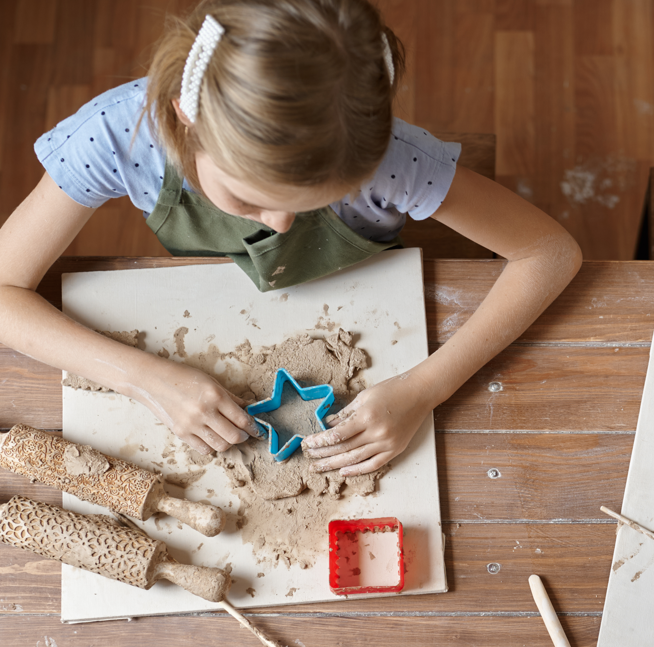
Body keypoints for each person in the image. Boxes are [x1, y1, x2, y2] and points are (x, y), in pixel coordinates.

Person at [0, 0, 581, 478]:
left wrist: (425, 387)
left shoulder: (392, 162)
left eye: (312, 205)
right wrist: (139, 377)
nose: (278, 224)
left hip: (372, 286)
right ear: (187, 122)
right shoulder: (117, 136)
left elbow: (550, 253)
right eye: (248, 200)